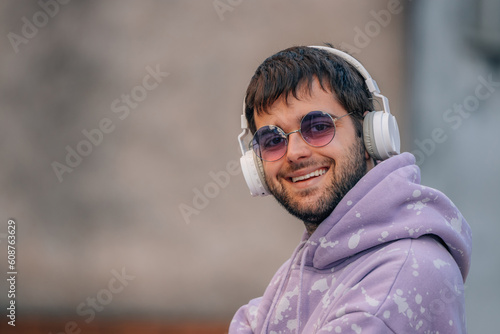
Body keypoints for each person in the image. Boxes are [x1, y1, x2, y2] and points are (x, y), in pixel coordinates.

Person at [229, 45, 472, 333]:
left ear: (369, 135)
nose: (294, 153)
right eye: (272, 140)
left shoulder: (401, 275)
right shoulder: (316, 259)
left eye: (318, 127)